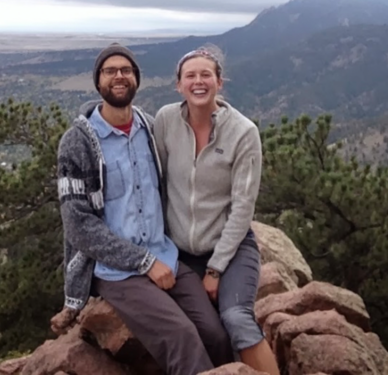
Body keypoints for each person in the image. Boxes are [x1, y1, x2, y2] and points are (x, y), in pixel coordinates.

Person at [50, 43, 234, 375]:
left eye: (126, 70)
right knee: (181, 338)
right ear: (98, 81)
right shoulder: (77, 143)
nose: (119, 76)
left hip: (166, 256)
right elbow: (78, 226)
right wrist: (143, 262)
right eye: (110, 71)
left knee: (216, 334)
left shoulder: (150, 129)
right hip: (117, 271)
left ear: (136, 79)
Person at [153, 46, 279, 375]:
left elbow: (242, 208)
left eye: (206, 75)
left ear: (219, 82)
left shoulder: (243, 132)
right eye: (190, 76)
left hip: (231, 248)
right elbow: (158, 183)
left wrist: (215, 270)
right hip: (179, 251)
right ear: (178, 85)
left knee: (236, 318)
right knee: (203, 329)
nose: (198, 81)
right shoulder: (166, 120)